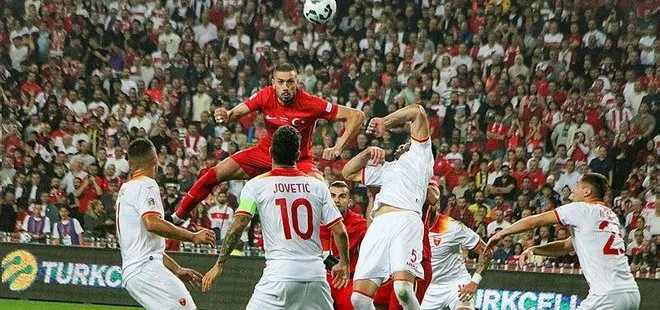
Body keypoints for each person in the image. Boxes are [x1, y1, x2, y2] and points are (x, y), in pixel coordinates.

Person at [172, 63, 364, 224]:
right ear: (273, 83)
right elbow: (235, 114)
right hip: (266, 153)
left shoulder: (310, 102)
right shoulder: (265, 95)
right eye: (281, 82)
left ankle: (331, 254)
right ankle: (177, 218)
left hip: (300, 160)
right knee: (213, 174)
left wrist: (338, 147)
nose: (286, 87)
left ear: (297, 82)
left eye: (290, 82)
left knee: (323, 193)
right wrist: (226, 115)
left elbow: (356, 115)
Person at [201, 126, 350, 310]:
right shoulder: (317, 186)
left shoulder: (256, 186)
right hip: (316, 277)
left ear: (271, 152)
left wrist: (219, 264)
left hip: (279, 276)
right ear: (297, 154)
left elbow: (239, 225)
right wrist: (344, 263)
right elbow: (340, 232)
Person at [488, 173, 640, 310]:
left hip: (606, 296)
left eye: (577, 185)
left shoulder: (580, 209)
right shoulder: (610, 215)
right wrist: (535, 249)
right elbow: (566, 246)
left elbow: (534, 222)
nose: (573, 189)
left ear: (587, 192)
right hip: (631, 293)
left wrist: (501, 233)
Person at [341, 104, 434, 310]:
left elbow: (418, 111)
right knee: (359, 300)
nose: (402, 146)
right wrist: (366, 153)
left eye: (407, 143)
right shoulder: (385, 169)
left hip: (406, 220)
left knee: (403, 290)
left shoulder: (421, 156)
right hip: (379, 226)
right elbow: (347, 173)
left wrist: (385, 121)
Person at [117, 138, 216, 309]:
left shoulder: (126, 189)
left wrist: (176, 269)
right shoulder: (146, 185)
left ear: (130, 163)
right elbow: (152, 224)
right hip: (145, 269)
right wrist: (192, 236)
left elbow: (149, 247)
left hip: (136, 271)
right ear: (155, 159)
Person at [420, 211, 490, 310]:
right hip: (428, 288)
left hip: (456, 284)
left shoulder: (452, 227)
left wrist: (474, 282)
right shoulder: (412, 227)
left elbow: (486, 251)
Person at [321, 181, 368, 310]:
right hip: (320, 279)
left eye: (342, 196)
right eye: (333, 196)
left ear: (350, 201)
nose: (337, 200)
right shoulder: (314, 220)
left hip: (346, 280)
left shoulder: (359, 223)